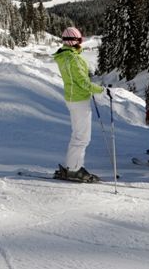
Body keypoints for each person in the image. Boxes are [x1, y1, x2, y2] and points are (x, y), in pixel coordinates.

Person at [52, 27, 104, 182]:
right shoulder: (74, 59)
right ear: (76, 41)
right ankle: (74, 169)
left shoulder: (65, 57)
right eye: (80, 40)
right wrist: (101, 90)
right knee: (82, 137)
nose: (81, 43)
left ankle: (72, 166)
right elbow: (82, 82)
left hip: (73, 98)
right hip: (79, 100)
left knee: (78, 135)